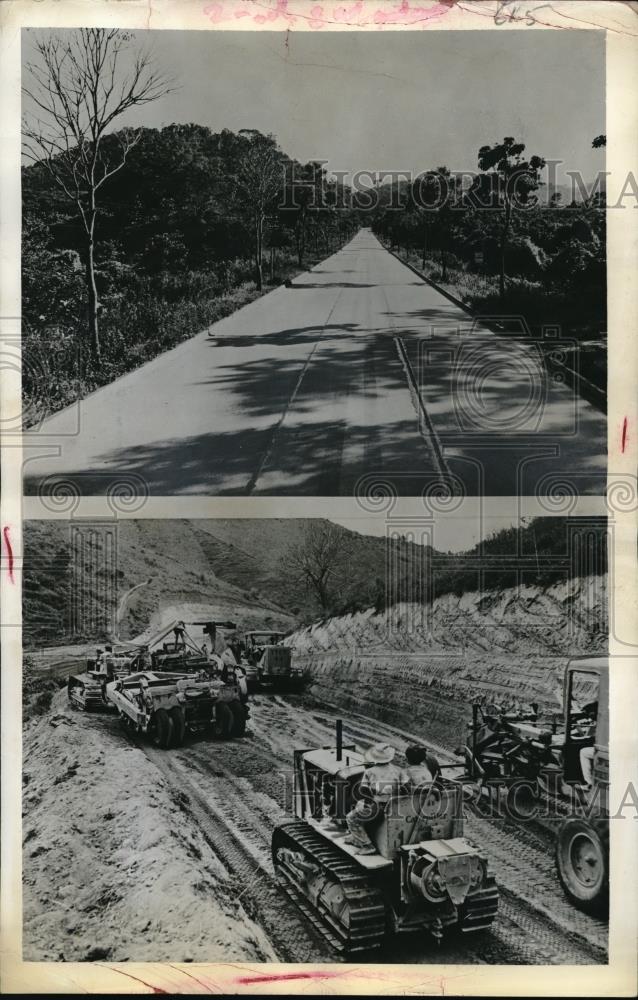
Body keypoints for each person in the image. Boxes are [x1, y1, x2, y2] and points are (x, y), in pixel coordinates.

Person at [344, 744, 407, 855]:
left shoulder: (369, 772)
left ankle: (367, 845)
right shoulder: (399, 770)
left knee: (351, 817)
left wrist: (369, 804)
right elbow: (406, 788)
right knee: (360, 805)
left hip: (378, 808)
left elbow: (364, 790)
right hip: (395, 807)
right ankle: (355, 836)